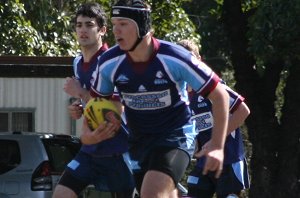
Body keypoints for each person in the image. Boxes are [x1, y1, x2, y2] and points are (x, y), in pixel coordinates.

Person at [82, 0, 230, 197]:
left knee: (151, 193)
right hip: (139, 141)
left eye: (123, 24)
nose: (116, 30)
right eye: (114, 23)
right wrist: (87, 135)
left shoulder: (174, 57)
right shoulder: (109, 62)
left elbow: (220, 95)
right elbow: (95, 103)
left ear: (142, 26)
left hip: (175, 136)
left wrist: (218, 146)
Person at [52, 3, 135, 198]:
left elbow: (115, 110)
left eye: (89, 25)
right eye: (79, 25)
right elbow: (92, 103)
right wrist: (78, 108)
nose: (83, 30)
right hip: (90, 149)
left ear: (102, 30)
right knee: (61, 194)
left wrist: (81, 92)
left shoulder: (113, 60)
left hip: (118, 149)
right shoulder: (77, 62)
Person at [178, 39, 250, 198]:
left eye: (191, 60)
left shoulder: (213, 88)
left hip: (229, 159)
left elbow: (243, 111)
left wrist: (215, 140)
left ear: (199, 61)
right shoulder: (180, 97)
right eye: (182, 61)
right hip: (204, 162)